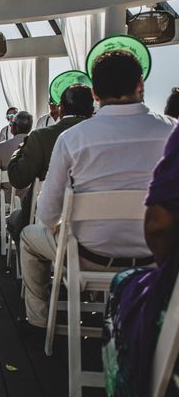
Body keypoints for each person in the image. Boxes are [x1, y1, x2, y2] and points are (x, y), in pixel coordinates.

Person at [19, 51, 175, 330]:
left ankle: (39, 321)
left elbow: (46, 214)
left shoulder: (72, 139)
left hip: (90, 259)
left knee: (28, 238)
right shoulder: (172, 133)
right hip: (157, 259)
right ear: (141, 84)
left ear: (95, 93)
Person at [103, 123, 179, 397]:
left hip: (87, 252)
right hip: (141, 255)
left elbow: (160, 224)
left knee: (124, 283)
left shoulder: (69, 140)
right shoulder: (164, 128)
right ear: (139, 86)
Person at [7, 85, 94, 241]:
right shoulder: (108, 135)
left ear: (62, 109)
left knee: (16, 222)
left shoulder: (41, 136)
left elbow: (19, 179)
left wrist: (19, 150)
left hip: (53, 224)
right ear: (91, 108)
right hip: (100, 229)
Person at [0, 111, 32, 227]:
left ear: (13, 127)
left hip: (7, 194)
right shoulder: (37, 146)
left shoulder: (1, 148)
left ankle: (0, 231)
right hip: (31, 193)